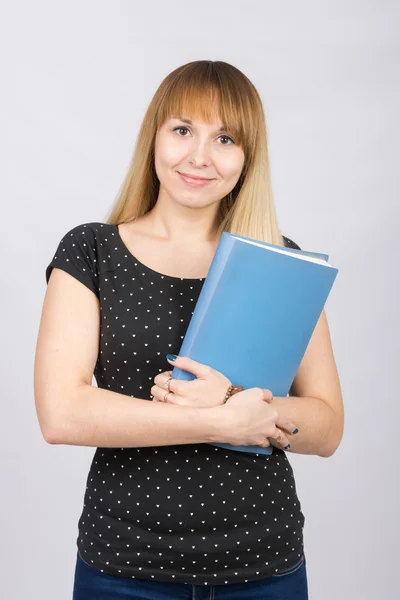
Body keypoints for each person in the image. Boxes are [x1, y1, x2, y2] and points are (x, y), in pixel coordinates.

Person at [34, 60, 344, 600]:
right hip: (125, 568)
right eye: (183, 130)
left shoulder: (282, 263)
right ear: (153, 137)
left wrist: (233, 399)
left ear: (247, 158)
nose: (199, 156)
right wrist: (224, 423)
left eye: (224, 138)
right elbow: (62, 414)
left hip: (265, 566)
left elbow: (327, 426)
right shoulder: (91, 251)